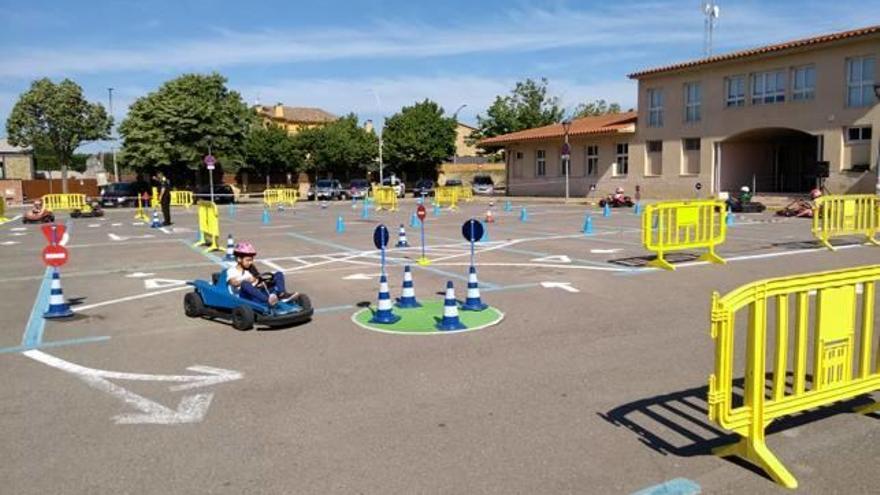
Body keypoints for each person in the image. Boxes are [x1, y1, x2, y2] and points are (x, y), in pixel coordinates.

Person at [226, 241, 297, 306]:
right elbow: (233, 282)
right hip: (245, 296)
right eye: (248, 260)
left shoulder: (251, 269)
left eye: (251, 260)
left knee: (278, 274)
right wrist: (248, 280)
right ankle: (267, 300)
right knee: (245, 284)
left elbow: (258, 278)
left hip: (258, 291)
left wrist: (260, 281)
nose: (250, 262)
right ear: (239, 259)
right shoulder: (232, 270)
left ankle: (282, 295)